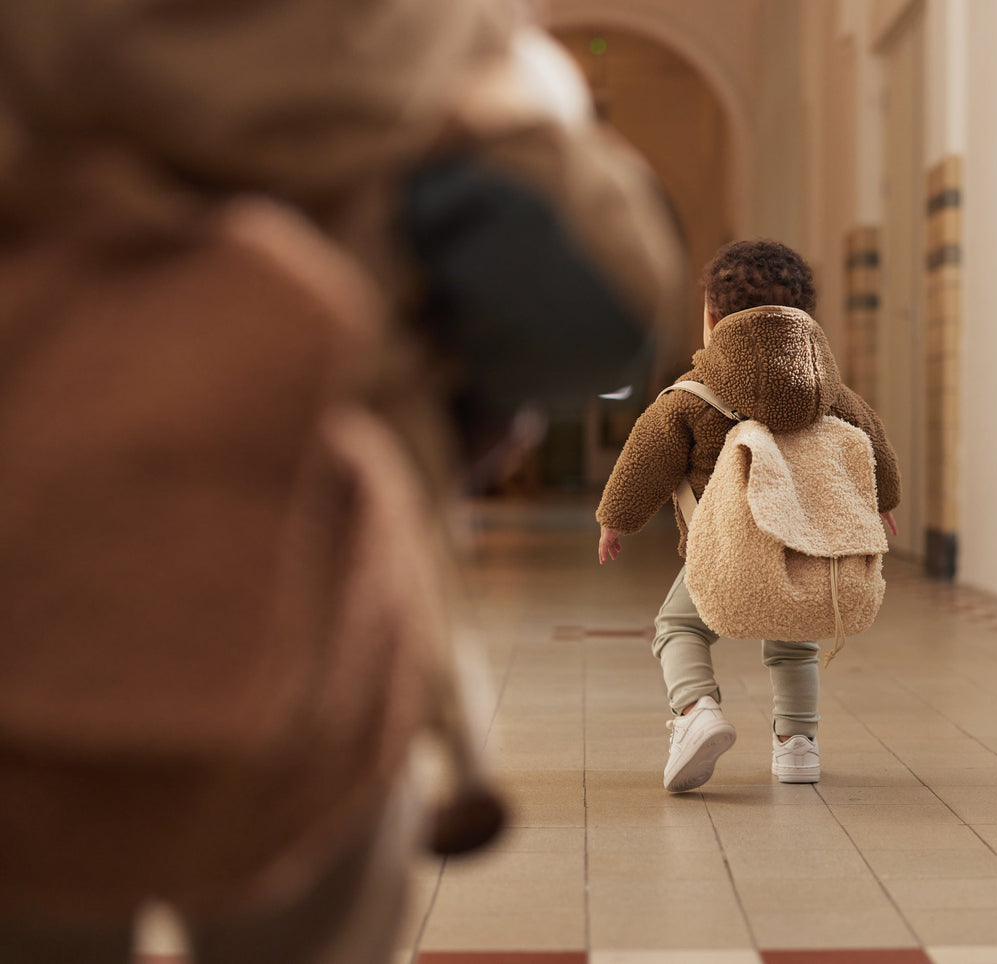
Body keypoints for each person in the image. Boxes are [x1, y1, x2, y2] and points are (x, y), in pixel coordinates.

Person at [0, 0, 681, 960]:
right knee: (311, 911)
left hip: (29, 549)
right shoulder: (425, 38)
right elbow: (593, 317)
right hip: (323, 577)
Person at [596, 240, 900, 792]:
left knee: (678, 626)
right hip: (801, 548)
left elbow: (648, 454)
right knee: (794, 642)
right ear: (805, 318)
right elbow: (871, 443)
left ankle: (697, 711)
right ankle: (798, 746)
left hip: (724, 553)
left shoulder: (691, 396)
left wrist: (616, 517)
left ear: (712, 320)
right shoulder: (831, 395)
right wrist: (881, 504)